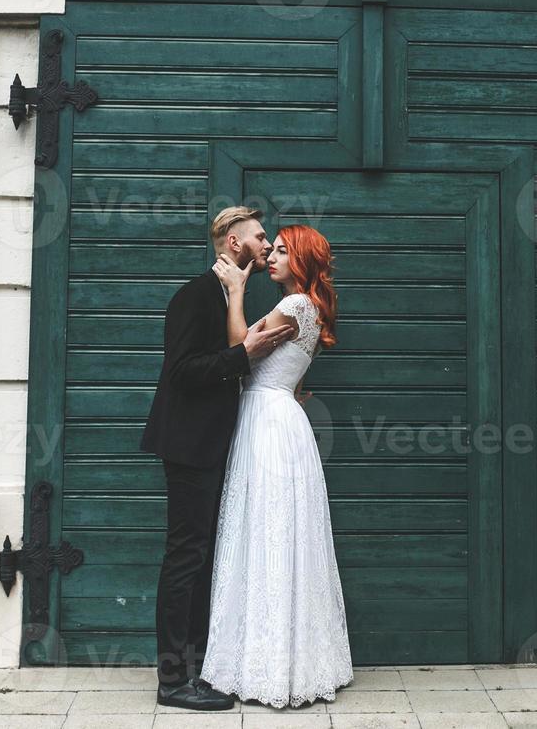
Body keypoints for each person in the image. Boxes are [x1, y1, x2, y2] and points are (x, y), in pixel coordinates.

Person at [139, 206, 297, 712]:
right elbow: (182, 372)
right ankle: (171, 682)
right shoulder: (194, 294)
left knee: (201, 557)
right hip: (187, 444)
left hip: (212, 444)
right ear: (234, 244)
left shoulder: (228, 295)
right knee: (185, 556)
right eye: (259, 236)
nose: (267, 243)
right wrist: (242, 355)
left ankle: (197, 668)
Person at [200, 223, 354, 708]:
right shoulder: (307, 306)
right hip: (280, 417)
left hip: (268, 419)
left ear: (303, 260)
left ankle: (265, 664)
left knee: (265, 529)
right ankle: (290, 662)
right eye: (274, 249)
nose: (272, 256)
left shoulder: (293, 305)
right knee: (280, 532)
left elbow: (239, 345)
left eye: (283, 251)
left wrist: (237, 291)